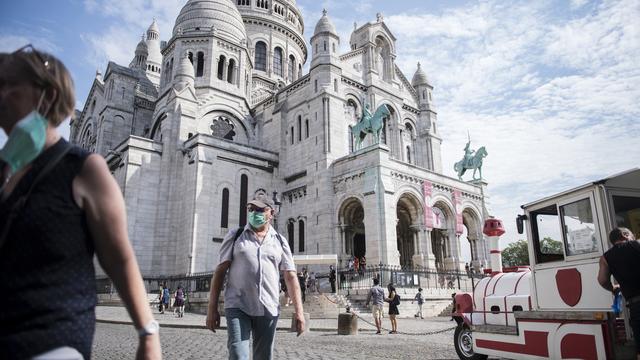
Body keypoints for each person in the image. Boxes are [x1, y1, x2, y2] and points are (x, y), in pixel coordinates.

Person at [0, 45, 161, 359]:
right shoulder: (5, 170)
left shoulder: (84, 167)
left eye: (9, 85)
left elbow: (119, 258)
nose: (1, 94)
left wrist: (148, 332)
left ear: (46, 95)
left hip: (50, 342)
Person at [206, 193, 304, 360]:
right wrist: (211, 309)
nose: (254, 213)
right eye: (251, 209)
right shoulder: (235, 235)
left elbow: (291, 277)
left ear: (271, 213)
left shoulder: (280, 241)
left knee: (263, 357)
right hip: (238, 305)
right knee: (238, 354)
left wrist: (299, 312)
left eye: (260, 209)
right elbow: (220, 272)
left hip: (268, 308)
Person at [598, 227, 640, 359]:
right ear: (625, 235)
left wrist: (613, 288)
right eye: (631, 235)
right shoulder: (637, 244)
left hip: (636, 307)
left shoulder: (605, 257)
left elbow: (602, 280)